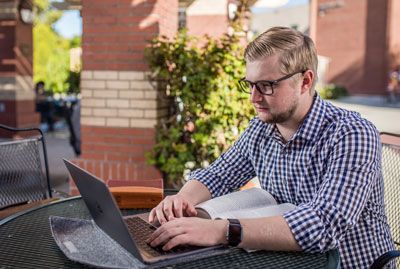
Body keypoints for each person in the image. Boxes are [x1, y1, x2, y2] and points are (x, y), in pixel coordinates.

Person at [146, 27, 395, 268]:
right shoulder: (262, 127)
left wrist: (221, 230)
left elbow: (323, 225)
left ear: (305, 81)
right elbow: (218, 175)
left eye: (267, 85)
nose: (253, 98)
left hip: (348, 263)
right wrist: (181, 200)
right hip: (287, 258)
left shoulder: (352, 133)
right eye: (250, 84)